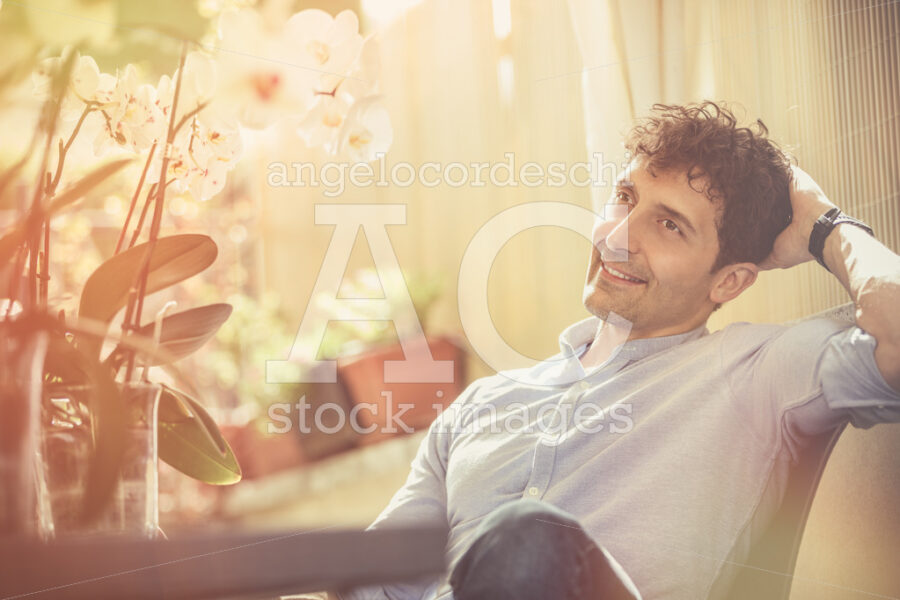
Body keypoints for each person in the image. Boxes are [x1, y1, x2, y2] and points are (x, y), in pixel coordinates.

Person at [301, 101, 900, 600]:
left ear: (730, 282)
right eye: (623, 198)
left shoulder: (759, 373)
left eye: (669, 225)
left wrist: (824, 225)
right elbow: (371, 584)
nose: (617, 236)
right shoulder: (481, 404)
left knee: (524, 543)